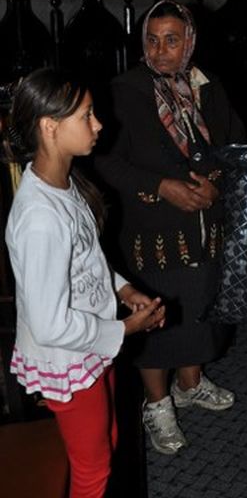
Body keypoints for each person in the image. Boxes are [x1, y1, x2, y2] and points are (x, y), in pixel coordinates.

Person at [4, 67, 165, 498]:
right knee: (92, 472)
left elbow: (84, 260)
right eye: (87, 116)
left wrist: (123, 289)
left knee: (106, 442)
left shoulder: (63, 181)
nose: (99, 125)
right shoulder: (40, 217)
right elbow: (49, 324)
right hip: (69, 355)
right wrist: (126, 328)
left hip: (90, 346)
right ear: (50, 127)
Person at [95, 0, 246, 455]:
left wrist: (216, 185)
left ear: (190, 43)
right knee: (156, 316)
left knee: (200, 304)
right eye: (152, 40)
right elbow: (104, 161)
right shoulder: (124, 91)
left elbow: (234, 146)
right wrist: (162, 187)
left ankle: (190, 384)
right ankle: (157, 403)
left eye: (172, 40)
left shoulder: (208, 87)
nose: (160, 51)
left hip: (205, 225)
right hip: (152, 231)